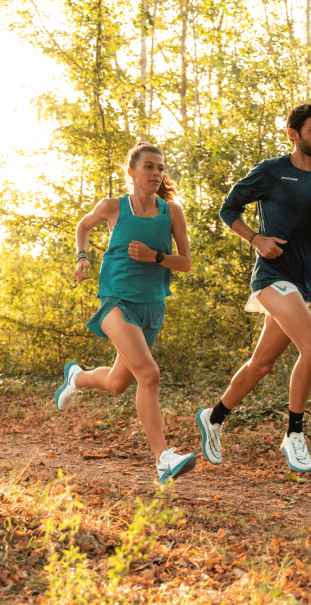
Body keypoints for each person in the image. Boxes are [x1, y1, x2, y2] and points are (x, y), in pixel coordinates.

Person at [195, 103, 311, 473]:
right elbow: (228, 209)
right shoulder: (271, 172)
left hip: (302, 285)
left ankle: (213, 418)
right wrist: (256, 239)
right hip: (272, 278)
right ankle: (294, 435)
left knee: (262, 364)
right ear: (293, 135)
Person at [55, 142, 197, 484]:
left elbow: (186, 263)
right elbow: (84, 225)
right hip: (116, 302)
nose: (156, 173)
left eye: (160, 167)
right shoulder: (113, 207)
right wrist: (81, 257)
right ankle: (164, 458)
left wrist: (155, 257)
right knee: (149, 374)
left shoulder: (171, 212)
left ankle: (76, 377)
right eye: (149, 166)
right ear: (131, 172)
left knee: (119, 383)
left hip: (152, 306)